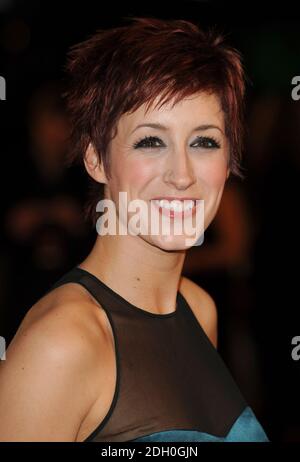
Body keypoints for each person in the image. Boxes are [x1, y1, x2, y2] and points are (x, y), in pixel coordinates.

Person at [0, 17, 269, 442]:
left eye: (204, 141)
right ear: (95, 158)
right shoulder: (63, 343)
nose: (181, 174)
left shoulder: (199, 309)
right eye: (150, 141)